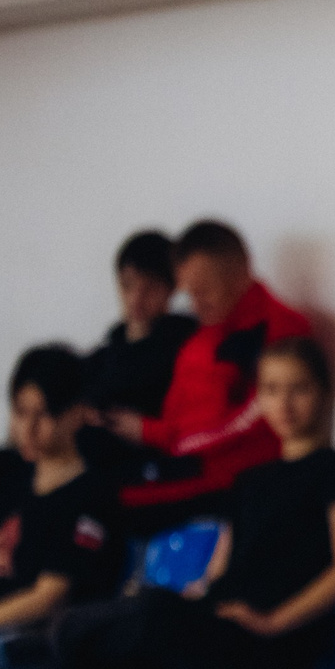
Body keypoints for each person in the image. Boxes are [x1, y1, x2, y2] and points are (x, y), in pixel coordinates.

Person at [43, 337, 335, 669]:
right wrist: (189, 599)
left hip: (271, 641)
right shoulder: (250, 480)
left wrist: (273, 621)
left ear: (324, 394)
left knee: (143, 615)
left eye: (299, 389)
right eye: (272, 390)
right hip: (217, 628)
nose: (285, 404)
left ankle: (54, 643)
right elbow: (218, 570)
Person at [107, 220, 313, 517]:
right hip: (188, 463)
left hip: (234, 474)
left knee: (101, 502)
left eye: (204, 292)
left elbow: (263, 415)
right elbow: (173, 416)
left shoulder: (282, 329)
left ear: (241, 273)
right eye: (190, 294)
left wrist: (161, 438)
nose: (195, 306)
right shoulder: (201, 338)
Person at [0, 347, 124, 669]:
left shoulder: (90, 496)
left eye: (43, 416)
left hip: (26, 641)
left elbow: (50, 596)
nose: (28, 429)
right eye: (21, 413)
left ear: (75, 414)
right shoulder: (11, 485)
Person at [82, 230, 198, 422]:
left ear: (172, 288)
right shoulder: (100, 360)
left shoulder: (185, 349)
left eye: (150, 287)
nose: (136, 298)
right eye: (127, 285)